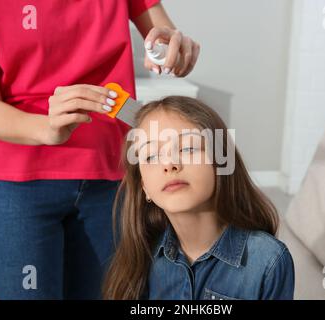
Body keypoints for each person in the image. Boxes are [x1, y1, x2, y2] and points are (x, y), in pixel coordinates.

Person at [0, 0, 199, 299]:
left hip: (112, 180)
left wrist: (175, 48)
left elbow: (164, 38)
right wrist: (45, 127)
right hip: (16, 188)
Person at [103, 96, 295, 300]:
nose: (169, 164)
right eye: (151, 156)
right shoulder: (142, 258)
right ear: (144, 188)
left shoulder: (268, 259)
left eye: (187, 148)